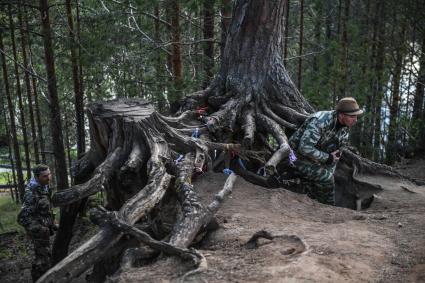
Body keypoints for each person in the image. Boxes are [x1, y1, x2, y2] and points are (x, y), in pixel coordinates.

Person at [288, 97, 363, 204]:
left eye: (356, 116)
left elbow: (336, 155)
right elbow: (304, 147)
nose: (355, 120)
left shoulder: (344, 128)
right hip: (293, 156)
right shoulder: (320, 121)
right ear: (341, 115)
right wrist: (327, 158)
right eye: (352, 116)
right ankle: (328, 207)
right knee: (327, 179)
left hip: (312, 159)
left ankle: (314, 200)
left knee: (326, 176)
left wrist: (329, 168)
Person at [17, 164, 56, 282]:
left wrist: (51, 224)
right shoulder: (31, 193)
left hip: (43, 227)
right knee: (43, 259)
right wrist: (38, 228)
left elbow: (44, 210)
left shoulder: (43, 187)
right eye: (45, 176)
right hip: (38, 231)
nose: (49, 178)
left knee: (45, 256)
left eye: (49, 174)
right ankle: (39, 279)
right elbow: (23, 218)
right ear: (37, 177)